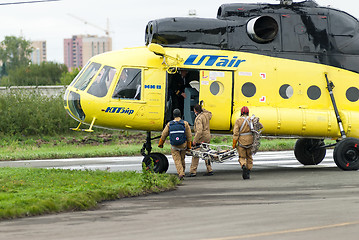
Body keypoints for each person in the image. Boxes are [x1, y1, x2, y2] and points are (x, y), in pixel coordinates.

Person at [158, 109, 192, 180]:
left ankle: (181, 173)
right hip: (183, 145)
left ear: (173, 115)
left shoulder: (169, 124)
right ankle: (182, 171)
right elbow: (189, 136)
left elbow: (164, 134)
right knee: (182, 159)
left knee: (177, 160)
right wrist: (189, 146)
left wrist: (161, 143)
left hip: (174, 146)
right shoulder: (185, 123)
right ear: (180, 115)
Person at [232, 106, 263, 180]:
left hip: (241, 142)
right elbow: (261, 126)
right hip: (250, 141)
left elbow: (235, 133)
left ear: (241, 112)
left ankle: (243, 165)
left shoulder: (238, 121)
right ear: (248, 112)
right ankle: (248, 171)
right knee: (249, 157)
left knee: (242, 157)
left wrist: (234, 144)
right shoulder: (251, 120)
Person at [188, 104, 213, 177]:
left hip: (202, 138)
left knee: (196, 154)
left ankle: (193, 171)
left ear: (195, 111)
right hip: (207, 136)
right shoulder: (206, 115)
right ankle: (209, 169)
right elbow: (210, 113)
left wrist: (195, 140)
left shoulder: (199, 118)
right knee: (206, 153)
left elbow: (199, 131)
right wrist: (203, 109)